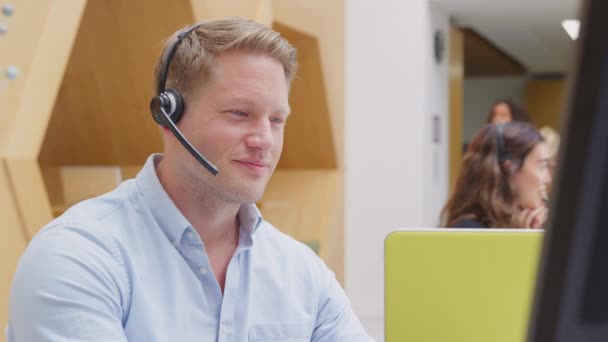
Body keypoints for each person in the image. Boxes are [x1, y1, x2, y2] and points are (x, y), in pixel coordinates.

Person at [7, 18, 373, 341]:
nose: (264, 140)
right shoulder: (78, 257)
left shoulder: (300, 271)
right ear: (168, 116)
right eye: (240, 113)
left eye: (277, 120)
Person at [441, 122, 552, 229]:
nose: (548, 179)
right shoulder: (468, 231)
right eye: (542, 166)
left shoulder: (534, 224)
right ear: (510, 169)